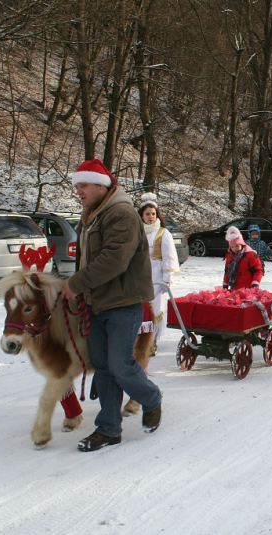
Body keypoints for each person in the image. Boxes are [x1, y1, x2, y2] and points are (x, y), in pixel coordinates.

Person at [61, 159, 161, 452]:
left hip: (122, 302)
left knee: (120, 364)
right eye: (76, 185)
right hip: (96, 304)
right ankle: (108, 429)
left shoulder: (121, 214)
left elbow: (114, 260)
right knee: (103, 368)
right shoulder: (91, 214)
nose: (78, 190)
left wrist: (76, 284)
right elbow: (86, 260)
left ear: (100, 185)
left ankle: (151, 398)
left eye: (83, 185)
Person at [138, 193, 180, 351]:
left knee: (155, 308)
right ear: (142, 215)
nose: (150, 217)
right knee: (139, 308)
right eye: (147, 214)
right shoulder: (137, 232)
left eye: (153, 214)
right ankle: (140, 338)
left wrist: (167, 279)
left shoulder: (163, 233)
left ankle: (152, 340)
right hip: (139, 277)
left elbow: (169, 258)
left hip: (156, 278)